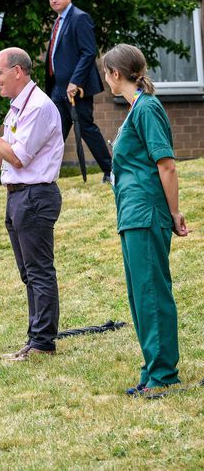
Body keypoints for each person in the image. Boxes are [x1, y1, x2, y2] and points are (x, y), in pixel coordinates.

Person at [102, 44, 188, 394]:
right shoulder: (135, 109)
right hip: (132, 215)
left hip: (146, 213)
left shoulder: (147, 109)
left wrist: (174, 212)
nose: (105, 79)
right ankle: (152, 368)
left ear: (116, 74)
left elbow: (165, 164)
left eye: (106, 73)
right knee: (141, 294)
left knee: (151, 292)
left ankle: (164, 374)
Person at [0, 48, 64, 360]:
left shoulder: (37, 106)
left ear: (18, 72)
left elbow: (19, 157)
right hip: (17, 196)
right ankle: (35, 339)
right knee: (29, 273)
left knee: (39, 272)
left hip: (35, 196)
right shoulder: (16, 108)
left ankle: (42, 343)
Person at [45, 0, 112, 183]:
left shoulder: (79, 18)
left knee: (86, 129)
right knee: (55, 131)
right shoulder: (58, 21)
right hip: (57, 88)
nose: (53, 0)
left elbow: (89, 51)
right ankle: (45, 176)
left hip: (76, 89)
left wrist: (75, 82)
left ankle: (110, 171)